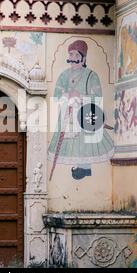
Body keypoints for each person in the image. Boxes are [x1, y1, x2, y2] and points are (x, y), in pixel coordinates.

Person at [48, 40, 114, 181]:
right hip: (68, 114)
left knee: (86, 143)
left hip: (85, 114)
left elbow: (98, 97)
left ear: (82, 57)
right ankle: (80, 168)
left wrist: (80, 96)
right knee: (71, 144)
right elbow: (56, 96)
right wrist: (67, 95)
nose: (71, 57)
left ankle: (85, 168)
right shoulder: (64, 75)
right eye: (70, 54)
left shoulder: (91, 75)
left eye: (74, 54)